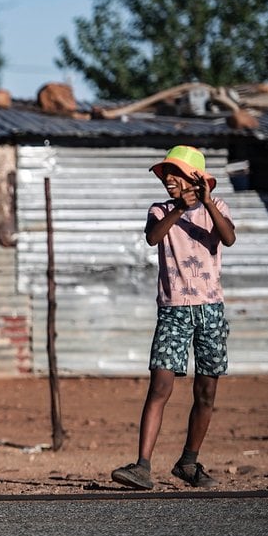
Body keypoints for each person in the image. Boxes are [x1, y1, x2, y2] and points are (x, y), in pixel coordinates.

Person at [112, 146, 236, 490]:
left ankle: (188, 462)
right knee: (160, 385)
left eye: (176, 173)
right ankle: (142, 465)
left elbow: (228, 237)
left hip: (211, 310)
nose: (168, 178)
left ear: (195, 179)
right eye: (166, 172)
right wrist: (180, 206)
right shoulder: (160, 210)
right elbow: (153, 238)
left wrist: (207, 202)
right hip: (173, 310)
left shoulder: (217, 208)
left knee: (206, 391)